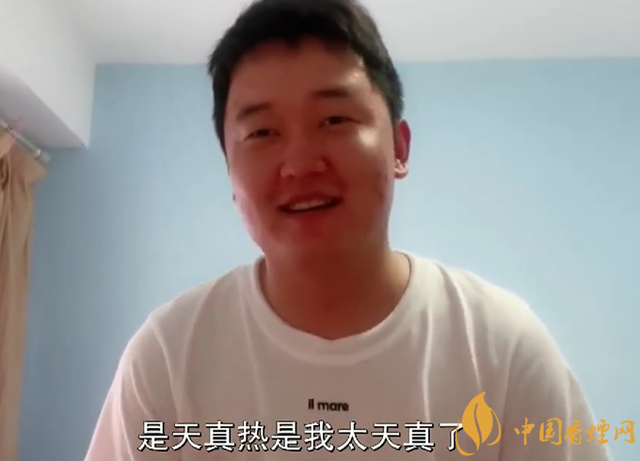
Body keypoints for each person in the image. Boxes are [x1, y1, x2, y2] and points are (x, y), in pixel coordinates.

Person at [84, 0, 611, 459]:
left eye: (334, 120)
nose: (299, 164)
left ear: (399, 148)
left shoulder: (502, 349)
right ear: (230, 173)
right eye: (262, 132)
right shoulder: (170, 356)